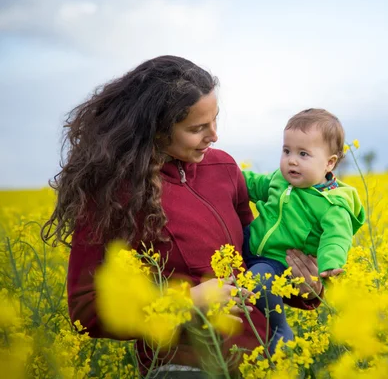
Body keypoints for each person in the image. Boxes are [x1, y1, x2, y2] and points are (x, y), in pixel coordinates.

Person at [41, 55, 324, 376]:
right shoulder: (110, 192)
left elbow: (254, 259)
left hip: (264, 360)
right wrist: (186, 303)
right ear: (157, 129)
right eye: (197, 128)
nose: (214, 135)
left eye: (215, 120)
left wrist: (303, 286)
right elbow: (85, 310)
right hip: (186, 368)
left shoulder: (225, 169)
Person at [241, 108, 366, 353]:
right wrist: (228, 174)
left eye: (303, 154)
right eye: (286, 151)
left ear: (329, 162)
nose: (292, 160)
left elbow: (336, 237)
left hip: (278, 262)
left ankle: (278, 329)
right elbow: (252, 184)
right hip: (251, 244)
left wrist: (330, 264)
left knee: (259, 280)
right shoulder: (279, 179)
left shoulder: (332, 204)